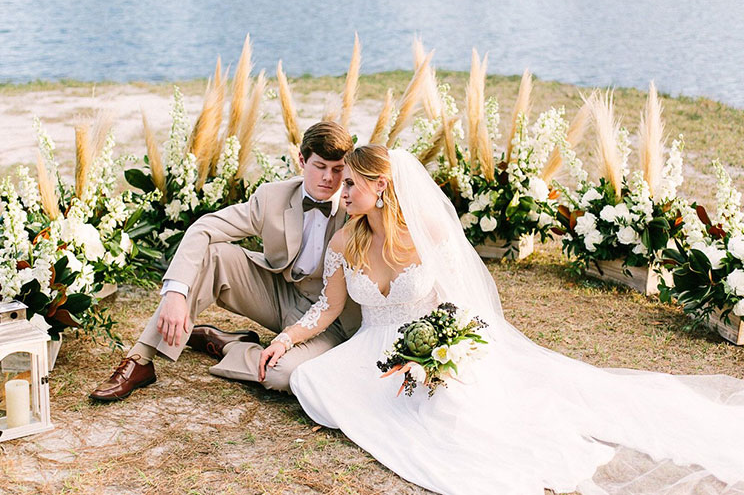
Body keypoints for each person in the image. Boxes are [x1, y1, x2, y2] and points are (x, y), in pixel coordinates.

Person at [258, 145, 744, 494]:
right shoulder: (346, 243)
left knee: (456, 411)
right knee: (313, 382)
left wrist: (443, 352)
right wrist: (286, 339)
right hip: (373, 350)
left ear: (380, 187)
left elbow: (459, 300)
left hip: (435, 342)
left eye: (350, 183)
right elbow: (329, 308)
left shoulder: (426, 232)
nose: (341, 191)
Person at [89, 121, 361, 400]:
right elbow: (204, 228)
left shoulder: (355, 207)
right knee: (216, 255)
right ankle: (140, 360)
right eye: (320, 166)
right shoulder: (274, 197)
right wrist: (175, 293)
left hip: (331, 316)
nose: (329, 177)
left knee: (281, 375)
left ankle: (230, 346)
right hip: (280, 295)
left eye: (337, 169)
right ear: (302, 161)